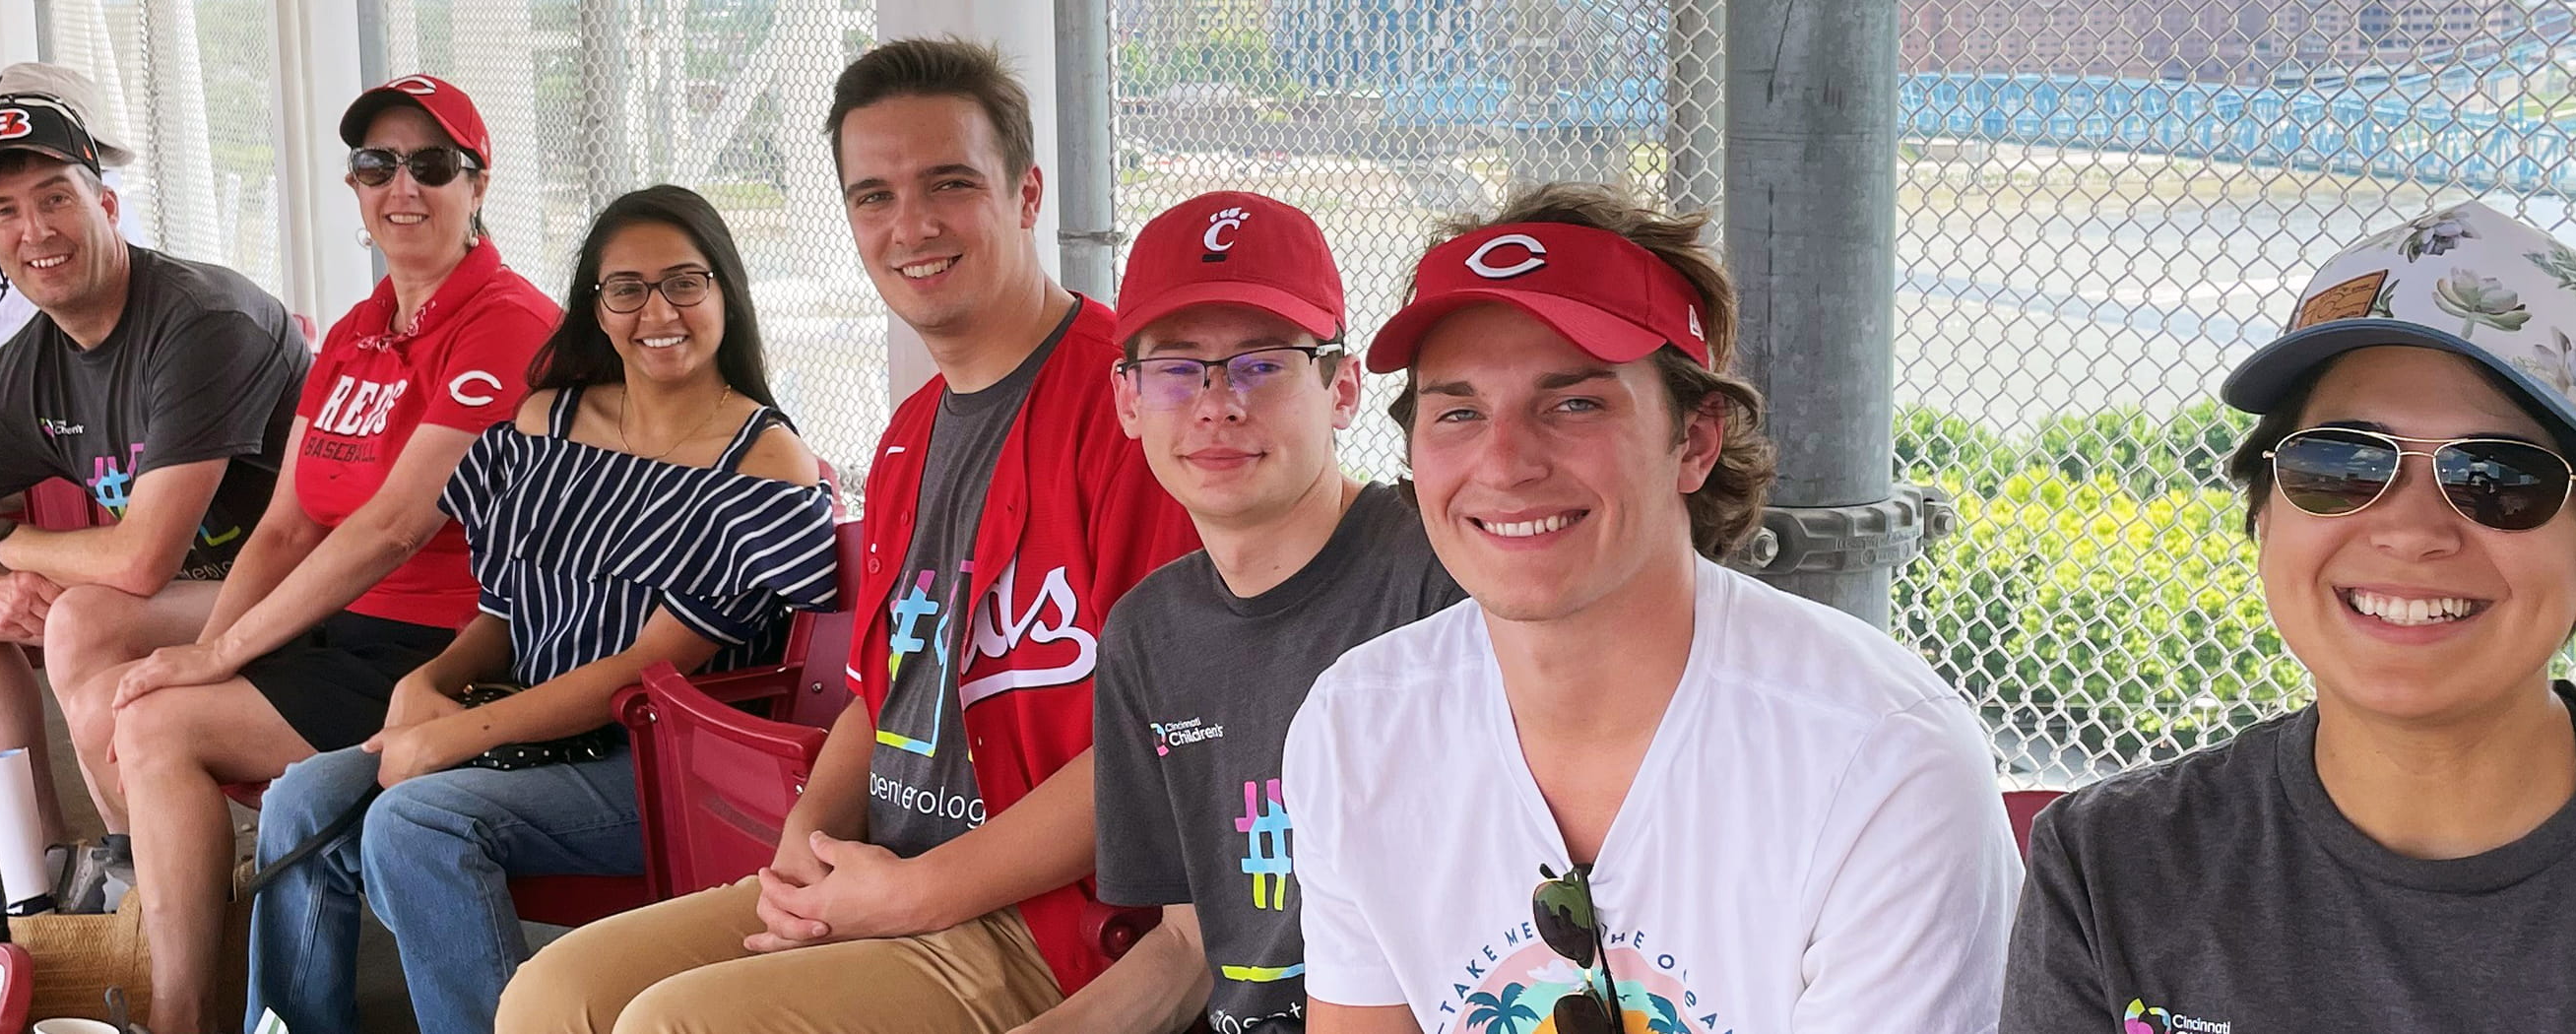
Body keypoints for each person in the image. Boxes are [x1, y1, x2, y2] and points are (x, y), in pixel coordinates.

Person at [1998, 203, 2576, 1032]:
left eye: (2498, 479)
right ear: (2266, 516)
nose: (2409, 530)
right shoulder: (2117, 867)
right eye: (2341, 462)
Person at [496, 37, 1198, 1034]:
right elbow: (886, 689)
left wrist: (913, 897)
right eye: (873, 195)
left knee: (672, 1025)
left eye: (947, 183)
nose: (908, 225)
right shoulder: (912, 430)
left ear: (1028, 193)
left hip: (1043, 927)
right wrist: (805, 844)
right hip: (880, 877)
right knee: (552, 994)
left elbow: (1165, 741)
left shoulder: (1127, 408)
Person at [1282, 183, 2022, 1034]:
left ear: (1696, 440)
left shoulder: (1883, 758)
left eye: (1575, 404)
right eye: (1459, 411)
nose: (1505, 461)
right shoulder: (1356, 726)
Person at [243, 184, 838, 1034]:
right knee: (303, 795)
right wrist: (431, 683)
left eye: (683, 282)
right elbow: (503, 613)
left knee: (417, 823)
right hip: (520, 736)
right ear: (597, 309)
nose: (655, 310)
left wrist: (453, 738)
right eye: (625, 288)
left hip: (652, 762)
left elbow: (645, 671)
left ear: (724, 295)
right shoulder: (543, 425)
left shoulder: (765, 464)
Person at [84, 74, 557, 1034]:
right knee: (124, 699)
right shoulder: (356, 329)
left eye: (431, 165)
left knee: (156, 727)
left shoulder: (506, 322)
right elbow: (288, 526)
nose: (402, 187)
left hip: (454, 653)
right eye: (376, 164)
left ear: (478, 183)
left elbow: (393, 525)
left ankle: (185, 1013)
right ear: (354, 185)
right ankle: (195, 979)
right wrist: (215, 643)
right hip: (346, 634)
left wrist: (216, 658)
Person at [1009, 192, 1464, 1034]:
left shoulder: (1444, 580)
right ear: (1127, 400)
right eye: (1178, 369)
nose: (1218, 404)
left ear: (1343, 387)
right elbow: (1189, 948)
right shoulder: (1147, 633)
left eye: (1263, 363)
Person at [0, 92, 306, 867]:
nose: (34, 231)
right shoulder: (28, 368)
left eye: (55, 199)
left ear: (106, 203)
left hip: (296, 596)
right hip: (178, 601)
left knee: (84, 618)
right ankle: (43, 870)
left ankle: (138, 876)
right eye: (5, 210)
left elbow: (142, 559)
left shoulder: (200, 320)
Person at [0, 61, 152, 410]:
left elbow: (58, 385)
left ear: (106, 206)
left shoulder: (91, 242)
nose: (35, 231)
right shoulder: (14, 228)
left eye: (14, 122)